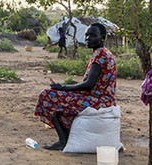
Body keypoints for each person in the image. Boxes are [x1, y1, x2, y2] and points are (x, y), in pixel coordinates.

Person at [33, 22, 116, 150]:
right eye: (87, 35)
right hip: (104, 100)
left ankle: (63, 140)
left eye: (93, 35)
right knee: (58, 98)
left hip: (98, 101)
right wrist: (64, 88)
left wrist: (63, 88)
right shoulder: (105, 53)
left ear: (103, 37)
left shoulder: (100, 55)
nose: (88, 38)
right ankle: (66, 137)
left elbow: (89, 85)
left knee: (47, 96)